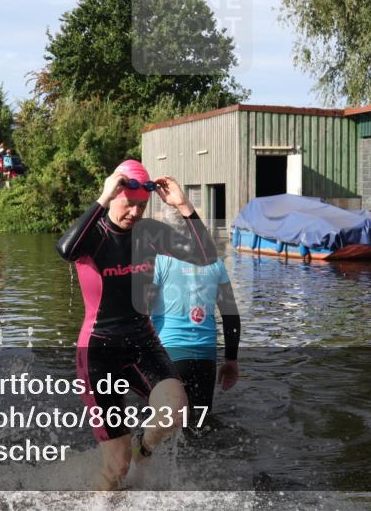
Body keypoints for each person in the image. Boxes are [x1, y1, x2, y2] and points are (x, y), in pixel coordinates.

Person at [57, 159, 218, 491]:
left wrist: (183, 205)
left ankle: (143, 449)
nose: (134, 212)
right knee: (116, 466)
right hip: (99, 352)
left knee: (176, 410)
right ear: (114, 195)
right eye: (128, 203)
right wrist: (101, 198)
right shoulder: (95, 236)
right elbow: (66, 249)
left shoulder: (150, 234)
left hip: (142, 342)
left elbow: (206, 255)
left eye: (141, 206)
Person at [151, 208, 240, 427]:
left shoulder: (159, 262)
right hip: (205, 359)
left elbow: (140, 312)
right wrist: (231, 360)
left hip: (168, 356)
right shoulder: (216, 264)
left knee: (160, 428)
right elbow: (231, 316)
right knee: (200, 426)